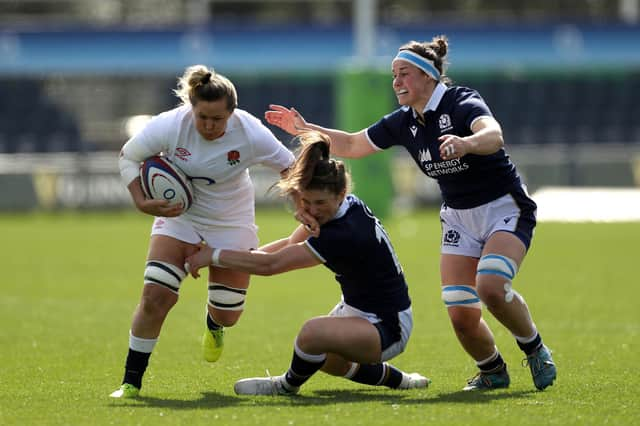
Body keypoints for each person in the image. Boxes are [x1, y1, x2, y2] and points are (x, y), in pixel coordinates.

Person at [263, 35, 556, 391]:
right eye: (393, 75)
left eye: (404, 74)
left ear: (428, 77)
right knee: (461, 314)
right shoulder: (405, 121)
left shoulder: (461, 101)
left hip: (503, 208)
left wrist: (466, 143)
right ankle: (492, 371)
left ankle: (535, 348)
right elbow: (354, 144)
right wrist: (305, 130)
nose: (396, 82)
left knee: (491, 286)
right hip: (459, 218)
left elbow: (493, 134)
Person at [184, 131, 429, 395]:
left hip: (386, 326)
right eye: (306, 202)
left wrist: (214, 255)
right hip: (357, 312)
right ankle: (401, 381)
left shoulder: (342, 232)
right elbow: (288, 246)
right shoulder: (347, 206)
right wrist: (233, 260)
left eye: (320, 203)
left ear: (341, 193)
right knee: (323, 359)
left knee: (312, 334)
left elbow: (271, 265)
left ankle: (285, 386)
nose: (312, 210)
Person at [110, 65, 295, 398]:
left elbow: (290, 168)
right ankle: (131, 381)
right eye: (202, 117)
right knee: (155, 297)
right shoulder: (170, 124)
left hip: (231, 220)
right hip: (181, 217)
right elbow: (129, 156)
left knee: (228, 315)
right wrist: (141, 201)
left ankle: (214, 324)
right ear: (191, 109)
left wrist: (304, 209)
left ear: (232, 114)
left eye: (217, 119)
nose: (209, 126)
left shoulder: (250, 133)